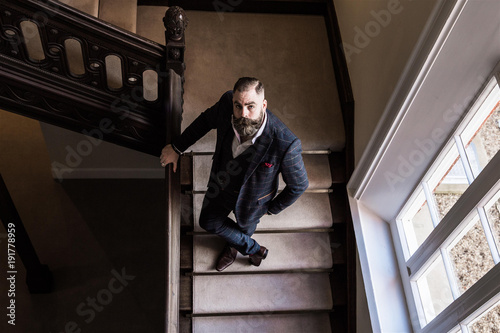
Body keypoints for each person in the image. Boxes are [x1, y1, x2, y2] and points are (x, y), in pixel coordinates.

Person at [160, 77, 308, 271]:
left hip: (253, 201)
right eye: (238, 106)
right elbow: (204, 122)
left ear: (264, 105)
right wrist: (177, 147)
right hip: (221, 183)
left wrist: (271, 208)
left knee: (242, 230)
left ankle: (233, 247)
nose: (243, 114)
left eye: (250, 107)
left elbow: (299, 186)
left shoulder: (286, 143)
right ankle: (253, 248)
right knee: (208, 221)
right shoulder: (226, 104)